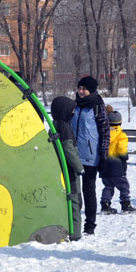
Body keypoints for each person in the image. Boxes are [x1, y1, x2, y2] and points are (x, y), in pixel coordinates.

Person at [70, 76, 110, 236]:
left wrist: (103, 156)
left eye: (84, 89)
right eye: (79, 88)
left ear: (91, 90)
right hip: (74, 155)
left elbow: (105, 132)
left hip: (91, 157)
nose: (80, 91)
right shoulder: (75, 106)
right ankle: (74, 221)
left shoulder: (98, 107)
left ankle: (90, 224)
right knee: (73, 189)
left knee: (88, 191)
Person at [50, 96, 84, 241]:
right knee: (75, 201)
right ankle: (75, 234)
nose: (73, 113)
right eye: (72, 110)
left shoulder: (56, 124)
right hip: (70, 171)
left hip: (62, 170)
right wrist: (79, 167)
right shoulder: (64, 127)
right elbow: (68, 149)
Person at [100, 106, 136, 215]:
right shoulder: (121, 135)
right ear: (120, 123)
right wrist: (125, 157)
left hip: (104, 166)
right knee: (124, 186)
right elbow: (121, 149)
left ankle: (105, 205)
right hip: (117, 166)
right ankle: (126, 205)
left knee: (108, 186)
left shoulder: (103, 134)